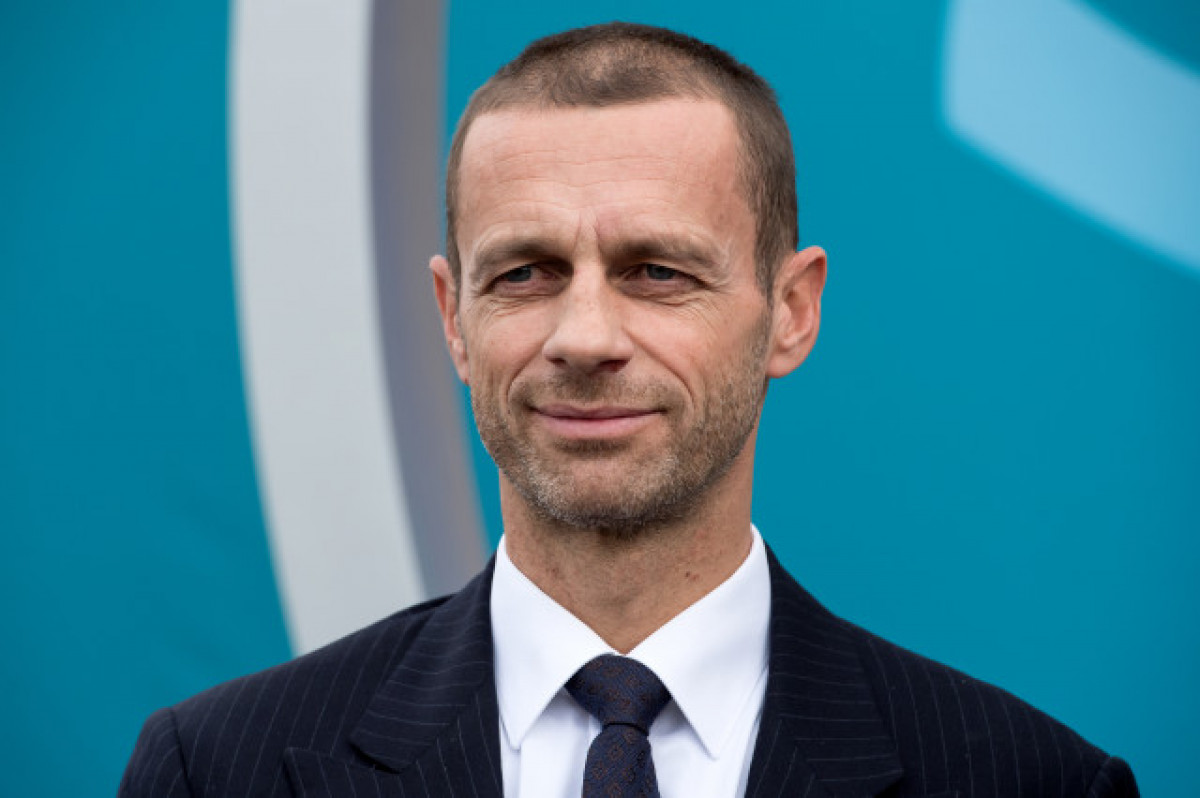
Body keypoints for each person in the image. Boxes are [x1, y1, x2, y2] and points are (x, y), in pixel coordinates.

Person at [120, 22, 1138, 797]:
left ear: (791, 311)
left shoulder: (1030, 782)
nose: (585, 336)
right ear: (454, 318)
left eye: (657, 271)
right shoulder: (216, 772)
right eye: (525, 272)